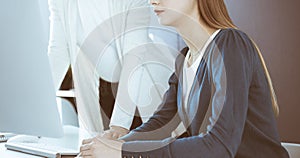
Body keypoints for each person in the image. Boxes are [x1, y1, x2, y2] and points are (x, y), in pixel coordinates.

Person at [79, 0, 290, 157]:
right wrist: (109, 145)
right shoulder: (184, 60)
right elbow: (160, 125)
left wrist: (123, 152)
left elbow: (219, 145)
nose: (153, 0)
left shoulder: (230, 44)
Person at [48, 0, 184, 138]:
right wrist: (37, 111)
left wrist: (119, 126)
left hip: (148, 85)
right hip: (106, 87)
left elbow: (134, 58)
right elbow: (58, 51)